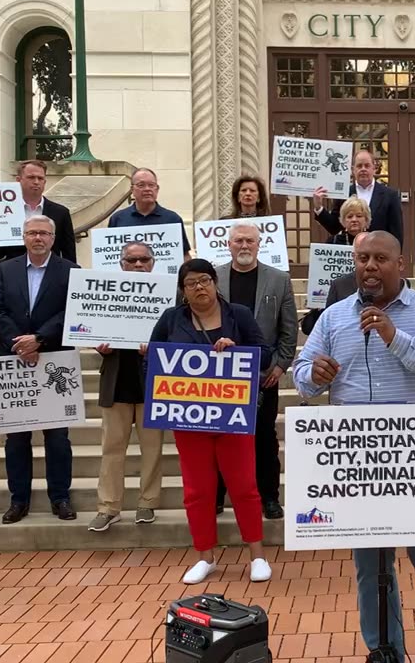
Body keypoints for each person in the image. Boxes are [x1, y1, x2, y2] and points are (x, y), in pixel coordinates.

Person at [293, 231, 415, 663]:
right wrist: (314, 375)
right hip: (360, 465)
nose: (369, 266)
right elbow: (301, 376)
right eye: (362, 258)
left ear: (401, 264)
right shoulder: (333, 317)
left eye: (379, 259)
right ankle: (385, 653)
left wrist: (395, 337)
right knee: (371, 571)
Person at [150, 258, 274, 583]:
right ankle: (205, 556)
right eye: (191, 283)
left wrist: (237, 350)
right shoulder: (171, 318)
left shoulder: (239, 315)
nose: (199, 287)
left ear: (215, 284)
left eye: (205, 280)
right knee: (197, 491)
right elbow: (154, 357)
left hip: (232, 416)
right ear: (182, 290)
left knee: (244, 486)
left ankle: (257, 555)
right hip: (189, 420)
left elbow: (265, 352)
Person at [0, 215, 79, 524]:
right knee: (16, 439)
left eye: (44, 233)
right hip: (14, 361)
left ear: (53, 238)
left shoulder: (70, 271)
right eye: (32, 233)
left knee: (57, 438)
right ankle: (18, 500)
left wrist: (39, 339)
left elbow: (73, 311)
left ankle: (60, 497)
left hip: (54, 360)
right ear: (23, 237)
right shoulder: (6, 269)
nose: (38, 237)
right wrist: (20, 344)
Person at [214, 223, 298, 520]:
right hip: (220, 375)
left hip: (263, 375)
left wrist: (280, 365)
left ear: (260, 244)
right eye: (239, 240)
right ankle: (217, 497)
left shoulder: (278, 280)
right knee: (221, 437)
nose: (244, 245)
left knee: (264, 437)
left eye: (250, 240)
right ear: (229, 244)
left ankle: (270, 498)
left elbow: (289, 330)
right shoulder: (213, 278)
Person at [88, 242, 165, 533]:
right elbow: (88, 325)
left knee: (153, 449)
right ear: (121, 264)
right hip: (116, 381)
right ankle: (108, 508)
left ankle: (147, 503)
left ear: (153, 263)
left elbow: (174, 337)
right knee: (112, 449)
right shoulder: (105, 293)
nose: (137, 265)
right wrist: (98, 344)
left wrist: (155, 350)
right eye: (131, 260)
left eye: (144, 260)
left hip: (151, 385)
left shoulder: (167, 297)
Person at [0, 159, 77, 263]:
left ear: (44, 182)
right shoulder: (5, 211)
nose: (36, 182)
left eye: (40, 178)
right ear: (19, 180)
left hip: (51, 275)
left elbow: (69, 253)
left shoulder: (61, 213)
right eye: (31, 177)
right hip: (15, 274)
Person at [313, 149, 404, 245]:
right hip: (349, 253)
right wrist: (319, 208)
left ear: (374, 168)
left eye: (367, 165)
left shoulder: (390, 195)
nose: (363, 169)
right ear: (353, 170)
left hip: (378, 253)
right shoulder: (343, 194)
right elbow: (334, 227)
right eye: (359, 166)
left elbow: (396, 234)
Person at [109, 168, 194, 260]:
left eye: (151, 185)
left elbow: (184, 255)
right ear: (132, 190)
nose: (147, 189)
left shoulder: (172, 219)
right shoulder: (118, 218)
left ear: (157, 189)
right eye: (141, 185)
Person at [300, 232, 367, 337]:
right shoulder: (339, 285)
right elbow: (324, 326)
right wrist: (316, 308)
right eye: (363, 254)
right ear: (353, 256)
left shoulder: (390, 284)